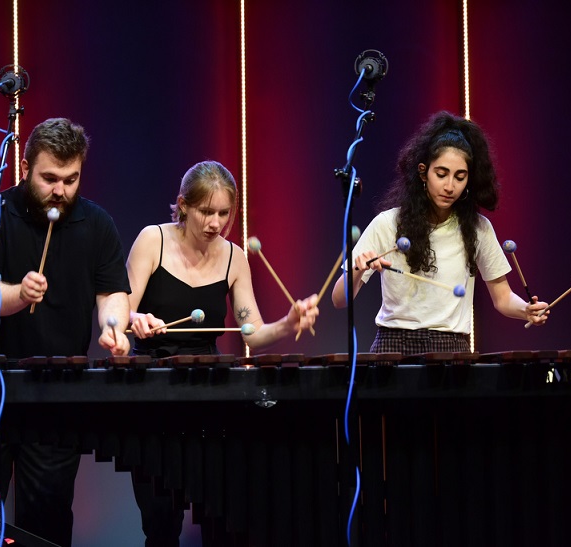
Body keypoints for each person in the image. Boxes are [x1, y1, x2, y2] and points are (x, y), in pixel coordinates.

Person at [0, 117, 131, 547]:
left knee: (46, 519)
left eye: (71, 179)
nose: (60, 191)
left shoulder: (97, 224)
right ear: (25, 167)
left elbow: (112, 293)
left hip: (55, 390)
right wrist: (19, 293)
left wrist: (113, 328)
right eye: (49, 178)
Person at [126, 160, 319, 546]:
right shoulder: (153, 240)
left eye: (224, 213)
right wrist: (136, 318)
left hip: (208, 390)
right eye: (206, 212)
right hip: (152, 385)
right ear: (183, 205)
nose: (215, 223)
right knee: (161, 521)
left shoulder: (234, 257)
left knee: (219, 514)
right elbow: (122, 310)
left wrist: (288, 323)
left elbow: (254, 332)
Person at [332, 110, 549, 354]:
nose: (450, 186)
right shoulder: (387, 223)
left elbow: (503, 298)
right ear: (423, 172)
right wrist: (358, 269)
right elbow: (339, 299)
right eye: (441, 174)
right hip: (392, 346)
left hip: (452, 348)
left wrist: (525, 310)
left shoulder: (478, 229)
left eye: (460, 177)